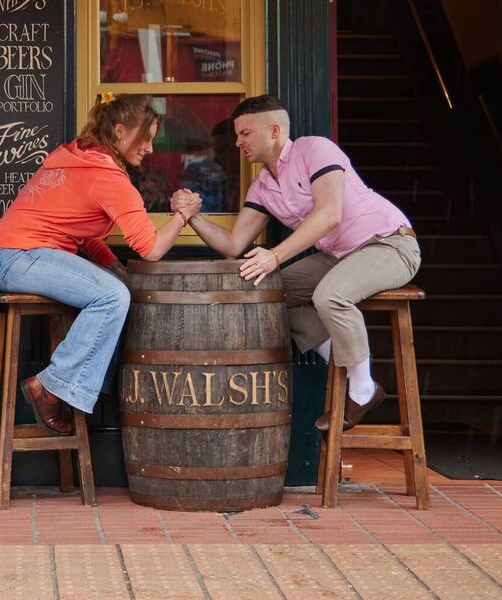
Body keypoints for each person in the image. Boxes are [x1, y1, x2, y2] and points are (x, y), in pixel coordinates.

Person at [173, 94, 421, 432]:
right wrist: (191, 217)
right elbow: (233, 244)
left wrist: (274, 256)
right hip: (339, 255)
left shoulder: (314, 150)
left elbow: (330, 213)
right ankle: (346, 364)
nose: (237, 142)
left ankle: (364, 389)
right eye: (237, 134)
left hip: (389, 243)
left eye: (245, 133)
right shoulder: (263, 186)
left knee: (330, 295)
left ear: (274, 130)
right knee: (271, 295)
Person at [0, 93, 194, 434]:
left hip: (9, 256)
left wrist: (117, 269)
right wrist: (183, 216)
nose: (150, 149)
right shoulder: (107, 177)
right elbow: (151, 249)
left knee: (117, 288)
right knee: (113, 297)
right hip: (20, 257)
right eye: (145, 139)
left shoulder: (77, 156)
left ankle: (71, 387)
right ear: (120, 131)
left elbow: (80, 234)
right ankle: (49, 386)